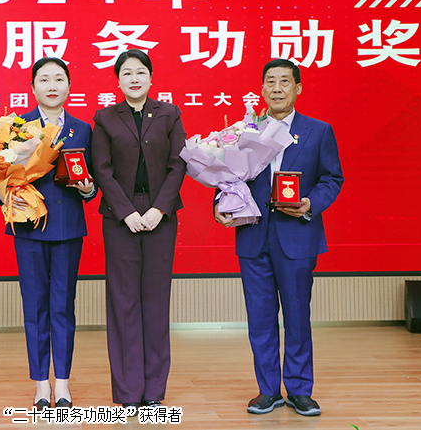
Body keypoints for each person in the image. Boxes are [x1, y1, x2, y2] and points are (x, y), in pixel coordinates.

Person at [214, 59, 343, 417]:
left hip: (297, 237)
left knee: (297, 316)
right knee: (260, 318)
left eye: (285, 81)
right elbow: (226, 177)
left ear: (298, 88)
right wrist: (220, 205)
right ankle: (268, 390)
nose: (276, 88)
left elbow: (332, 179)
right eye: (270, 81)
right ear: (261, 89)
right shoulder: (245, 131)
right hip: (253, 236)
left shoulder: (318, 131)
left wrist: (310, 204)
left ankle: (299, 389)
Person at [0, 57, 96, 409]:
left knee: (63, 307)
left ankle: (62, 384)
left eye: (59, 79)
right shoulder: (16, 127)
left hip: (67, 227)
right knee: (35, 306)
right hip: (27, 226)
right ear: (33, 87)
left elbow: (93, 183)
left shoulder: (83, 129)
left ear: (69, 86)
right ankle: (40, 384)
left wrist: (87, 188)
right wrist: (0, 192)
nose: (52, 85)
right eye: (44, 79)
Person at [90, 49, 186, 410]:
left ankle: (153, 393)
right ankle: (128, 393)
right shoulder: (105, 117)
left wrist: (160, 208)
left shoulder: (170, 113)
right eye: (127, 73)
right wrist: (126, 212)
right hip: (120, 218)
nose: (134, 78)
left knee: (156, 303)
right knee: (123, 303)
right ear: (118, 80)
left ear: (151, 78)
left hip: (162, 216)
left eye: (141, 72)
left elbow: (178, 165)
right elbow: (101, 169)